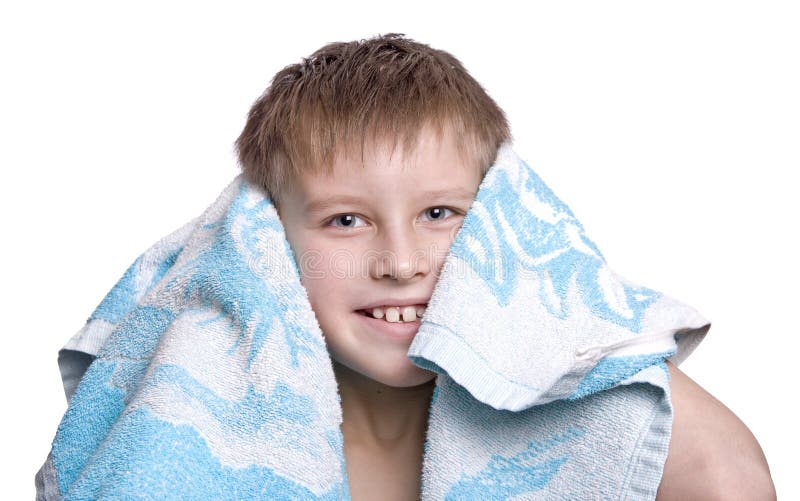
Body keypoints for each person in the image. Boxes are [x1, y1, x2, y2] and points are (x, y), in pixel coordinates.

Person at [233, 34, 774, 499]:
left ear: (502, 216)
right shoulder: (216, 429)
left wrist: (589, 337)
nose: (400, 263)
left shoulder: (584, 411)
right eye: (346, 220)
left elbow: (729, 482)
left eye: (439, 213)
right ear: (265, 233)